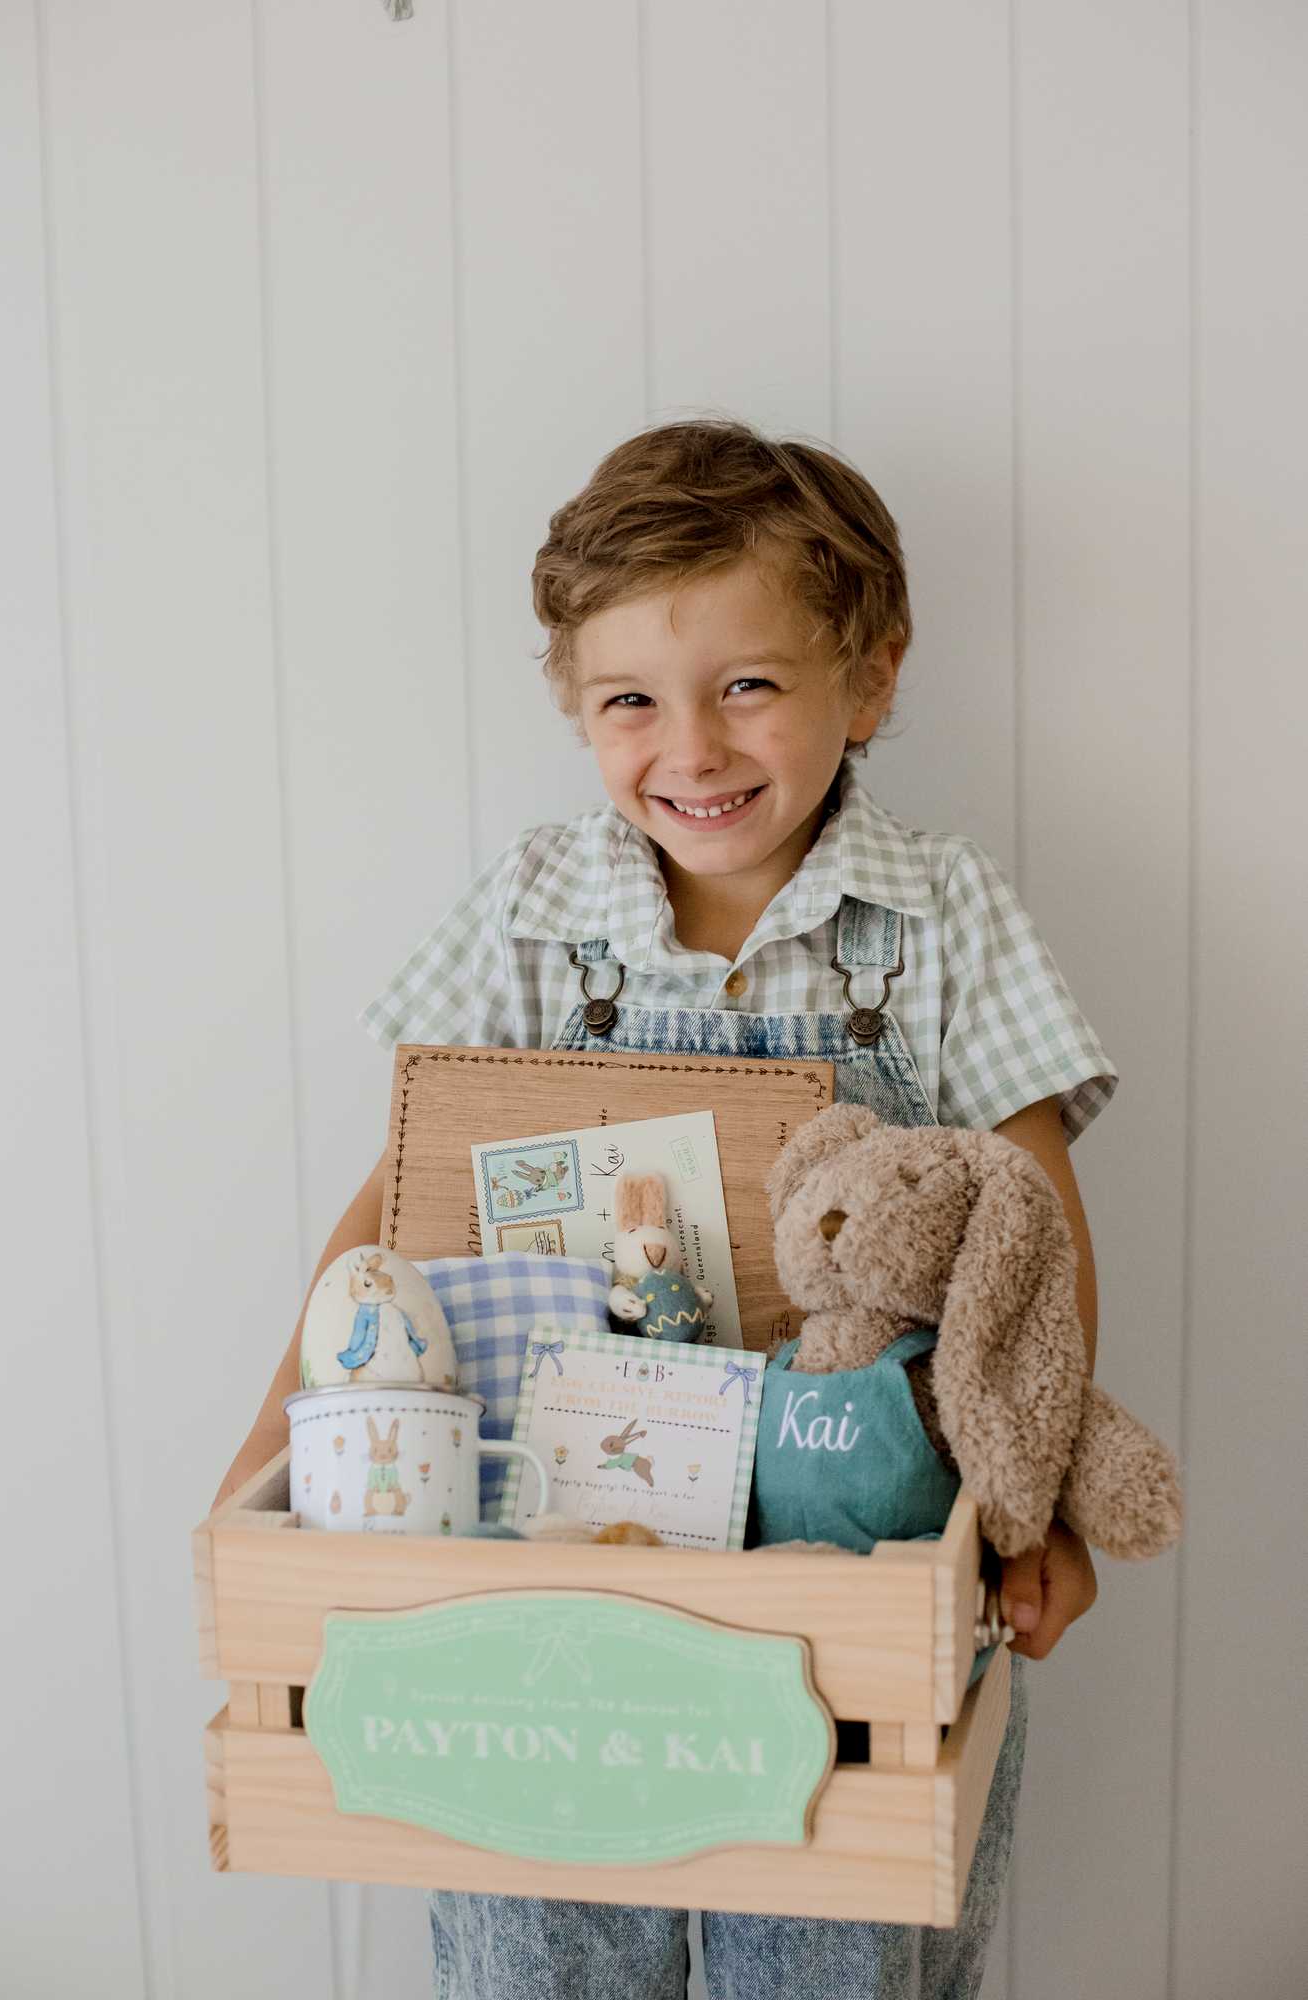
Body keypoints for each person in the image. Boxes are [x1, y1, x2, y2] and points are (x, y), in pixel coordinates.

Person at [215, 417, 1116, 1998]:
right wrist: (278, 1437)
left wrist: (1034, 1506)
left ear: (871, 680)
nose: (691, 749)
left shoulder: (942, 914)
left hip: (848, 1558)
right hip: (545, 1554)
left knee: (834, 1943)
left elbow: (1029, 1230)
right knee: (535, 1931)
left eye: (747, 685)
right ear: (575, 704)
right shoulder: (532, 907)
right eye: (631, 699)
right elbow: (402, 1201)